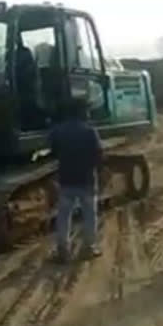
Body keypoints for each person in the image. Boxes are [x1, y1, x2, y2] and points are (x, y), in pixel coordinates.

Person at [48, 97, 103, 262]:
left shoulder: (57, 131)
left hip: (66, 180)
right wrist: (95, 168)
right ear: (82, 112)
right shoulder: (90, 131)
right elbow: (99, 154)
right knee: (89, 216)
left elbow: (53, 152)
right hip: (86, 180)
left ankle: (63, 251)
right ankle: (89, 248)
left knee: (64, 216)